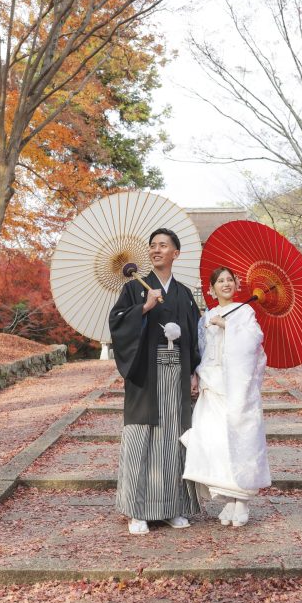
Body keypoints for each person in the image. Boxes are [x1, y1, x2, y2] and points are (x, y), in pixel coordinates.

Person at [108, 228, 202, 535]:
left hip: (176, 373)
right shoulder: (135, 289)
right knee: (142, 438)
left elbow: (194, 336)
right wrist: (144, 308)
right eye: (152, 246)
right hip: (146, 374)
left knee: (174, 437)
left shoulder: (185, 294)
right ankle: (138, 510)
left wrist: (194, 371)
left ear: (176, 253)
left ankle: (173, 507)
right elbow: (117, 323)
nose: (156, 250)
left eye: (163, 245)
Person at [181, 266, 270, 527]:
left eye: (230, 280)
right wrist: (195, 374)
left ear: (237, 284)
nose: (226, 284)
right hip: (212, 383)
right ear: (211, 289)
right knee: (214, 441)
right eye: (220, 281)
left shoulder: (245, 311)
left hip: (236, 386)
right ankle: (229, 499)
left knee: (240, 440)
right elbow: (202, 349)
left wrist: (229, 326)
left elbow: (254, 341)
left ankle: (241, 500)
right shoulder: (205, 316)